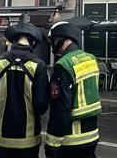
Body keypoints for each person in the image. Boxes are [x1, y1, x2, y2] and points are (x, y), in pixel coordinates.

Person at [0, 22, 49, 158]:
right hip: (28, 142)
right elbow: (41, 105)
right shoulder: (38, 66)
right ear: (32, 42)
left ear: (13, 40)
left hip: (0, 140)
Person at [45, 21, 101, 158]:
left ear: (66, 38)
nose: (53, 44)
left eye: (55, 40)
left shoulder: (63, 65)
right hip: (92, 136)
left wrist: (52, 144)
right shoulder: (91, 59)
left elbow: (60, 109)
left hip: (72, 140)